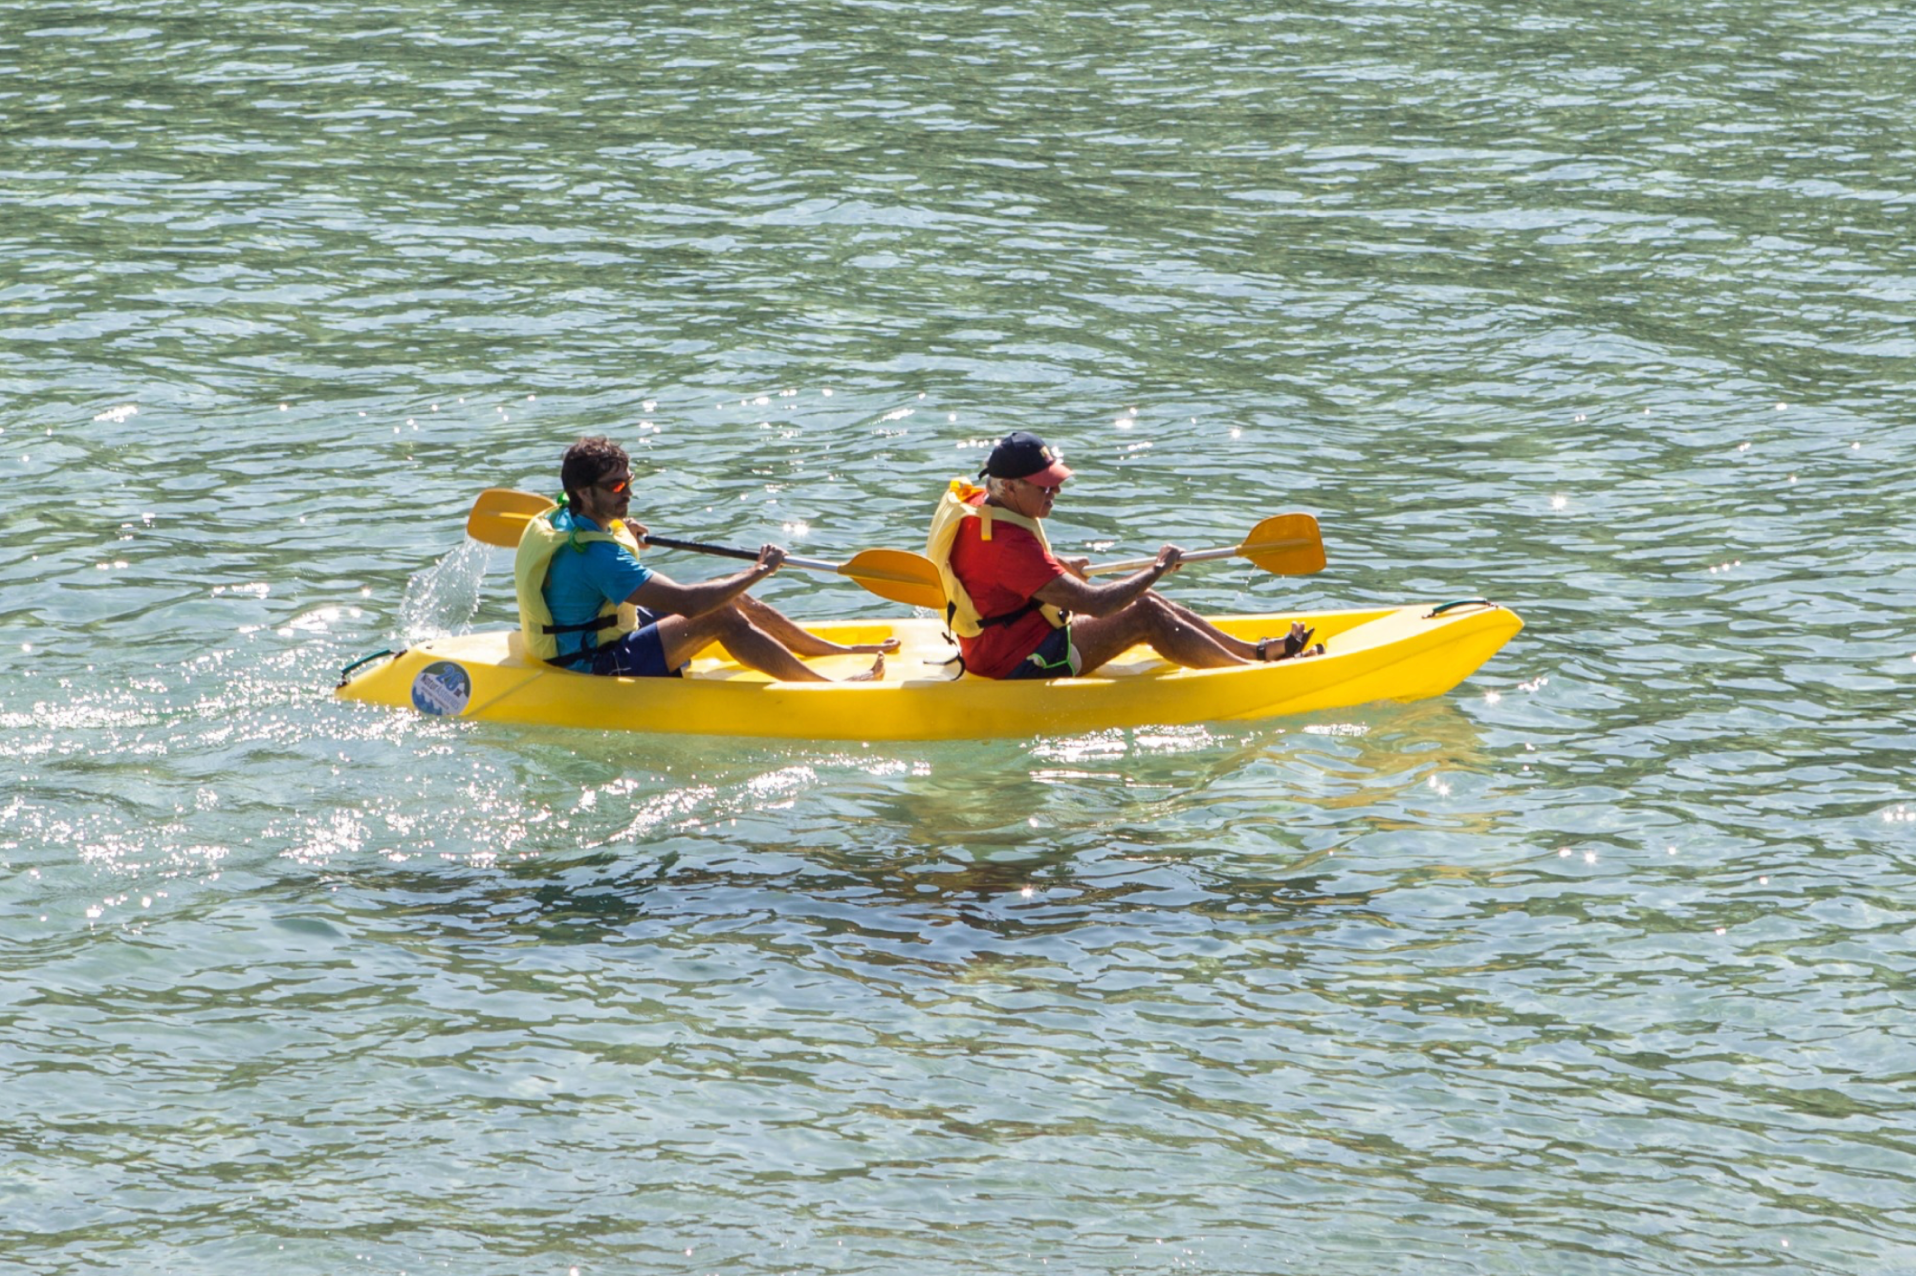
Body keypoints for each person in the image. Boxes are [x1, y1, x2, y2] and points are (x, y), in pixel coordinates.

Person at [925, 430, 1319, 679]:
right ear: (1009, 487)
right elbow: (1098, 605)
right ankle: (1250, 676)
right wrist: (1157, 569)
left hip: (1000, 639)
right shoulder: (1011, 549)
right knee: (1144, 613)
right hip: (1015, 661)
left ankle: (1256, 652)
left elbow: (996, 572)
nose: (1055, 492)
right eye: (1044, 486)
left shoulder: (979, 503)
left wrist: (1056, 566)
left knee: (1144, 599)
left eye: (1055, 483)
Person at [515, 436, 894, 682]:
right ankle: (825, 686)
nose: (628, 492)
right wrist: (759, 570)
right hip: (591, 662)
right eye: (616, 487)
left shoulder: (561, 514)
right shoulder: (599, 557)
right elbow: (690, 604)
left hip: (600, 629)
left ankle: (833, 651)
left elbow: (592, 533)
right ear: (583, 491)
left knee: (727, 593)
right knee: (719, 610)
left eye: (629, 481)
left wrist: (621, 527)